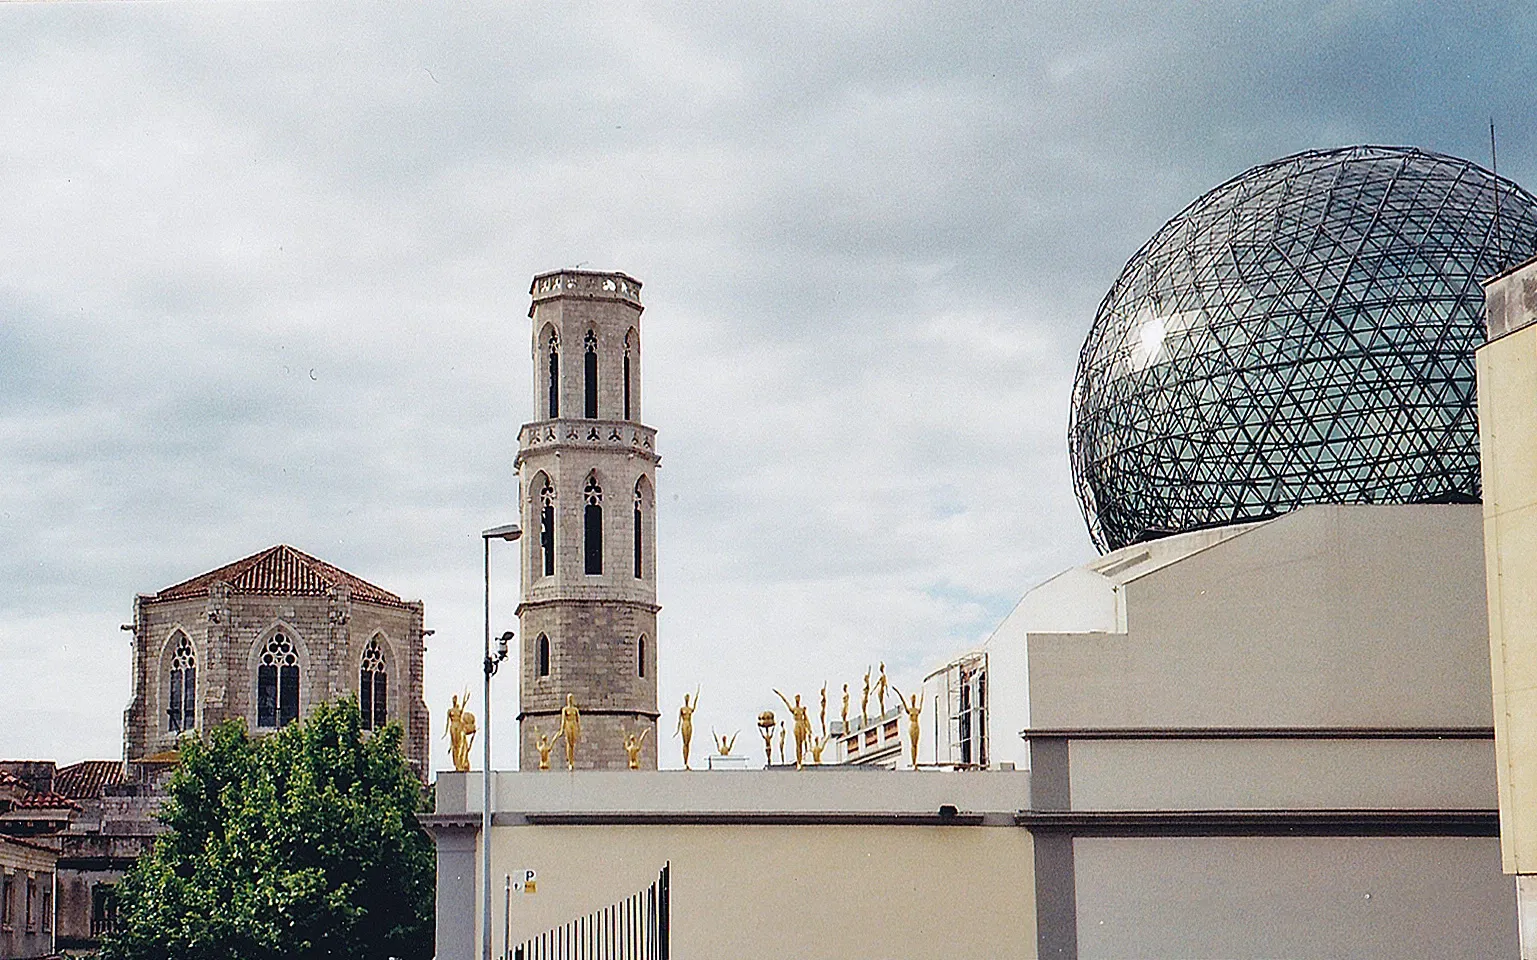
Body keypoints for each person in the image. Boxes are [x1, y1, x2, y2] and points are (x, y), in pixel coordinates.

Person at [774, 689, 812, 768]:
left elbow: (806, 719)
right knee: (797, 744)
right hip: (797, 725)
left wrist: (809, 728)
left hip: (802, 725)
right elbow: (785, 702)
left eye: (798, 698)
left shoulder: (802, 709)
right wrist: (779, 694)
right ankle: (798, 762)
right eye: (796, 698)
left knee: (802, 744)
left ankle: (801, 761)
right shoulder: (793, 709)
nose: (797, 700)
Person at [892, 686, 923, 768]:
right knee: (912, 744)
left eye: (914, 698)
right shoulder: (909, 710)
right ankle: (913, 762)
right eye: (912, 698)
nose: (913, 700)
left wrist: (923, 691)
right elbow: (903, 701)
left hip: (917, 725)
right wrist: (897, 692)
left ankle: (915, 762)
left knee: (916, 744)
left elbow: (922, 702)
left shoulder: (917, 710)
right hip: (912, 726)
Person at [676, 687, 699, 769]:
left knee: (688, 743)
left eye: (688, 698)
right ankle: (684, 762)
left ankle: (687, 761)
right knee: (685, 743)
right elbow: (679, 720)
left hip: (689, 724)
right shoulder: (682, 709)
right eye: (686, 698)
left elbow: (694, 707)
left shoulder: (690, 709)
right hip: (684, 724)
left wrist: (696, 696)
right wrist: (677, 730)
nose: (687, 699)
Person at [559, 694, 581, 770]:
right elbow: (563, 720)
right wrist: (562, 729)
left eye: (571, 698)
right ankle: (570, 761)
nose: (570, 700)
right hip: (568, 725)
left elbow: (578, 720)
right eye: (569, 698)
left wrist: (579, 730)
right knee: (569, 743)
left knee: (572, 743)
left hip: (573, 725)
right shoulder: (565, 709)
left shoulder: (575, 710)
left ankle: (572, 760)